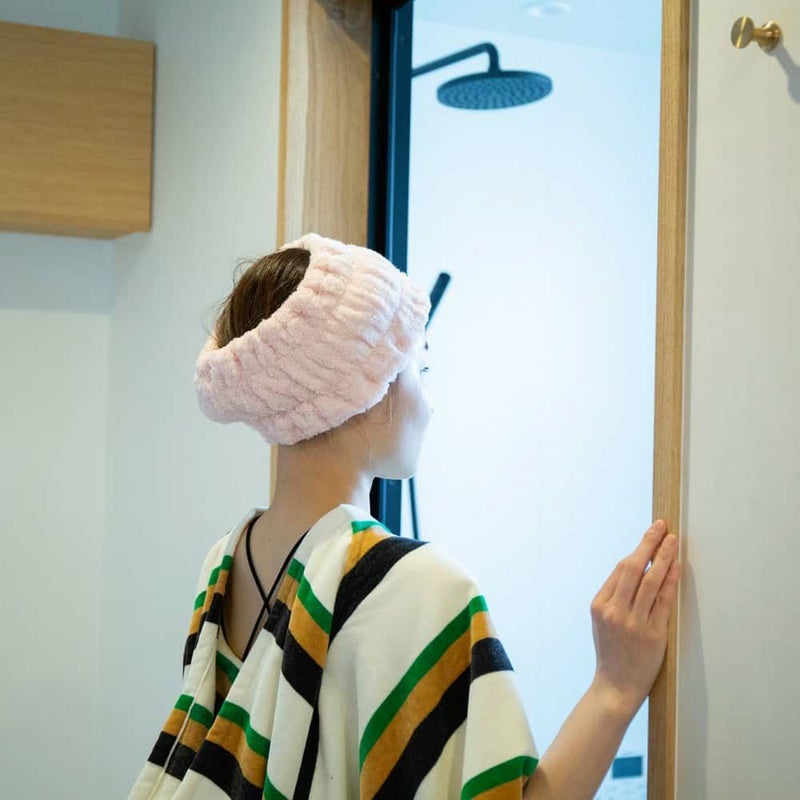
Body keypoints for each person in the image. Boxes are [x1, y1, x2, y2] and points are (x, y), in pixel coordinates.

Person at [128, 232, 680, 800]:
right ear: (369, 385)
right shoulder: (419, 588)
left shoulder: (222, 566)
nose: (430, 401)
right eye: (422, 367)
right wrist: (615, 689)